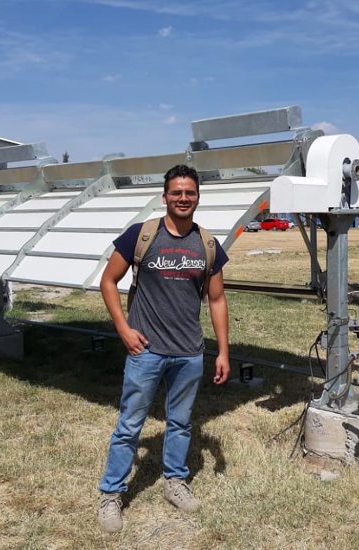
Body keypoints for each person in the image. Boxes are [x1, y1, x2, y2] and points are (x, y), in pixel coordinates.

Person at [97, 164, 230, 533]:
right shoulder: (141, 236)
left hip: (189, 352)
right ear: (165, 197)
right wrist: (124, 329)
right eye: (177, 193)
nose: (183, 198)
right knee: (130, 425)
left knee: (181, 423)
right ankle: (111, 495)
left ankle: (175, 481)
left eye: (190, 193)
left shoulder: (207, 244)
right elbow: (108, 281)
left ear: (198, 197)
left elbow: (217, 300)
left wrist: (222, 352)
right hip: (146, 352)